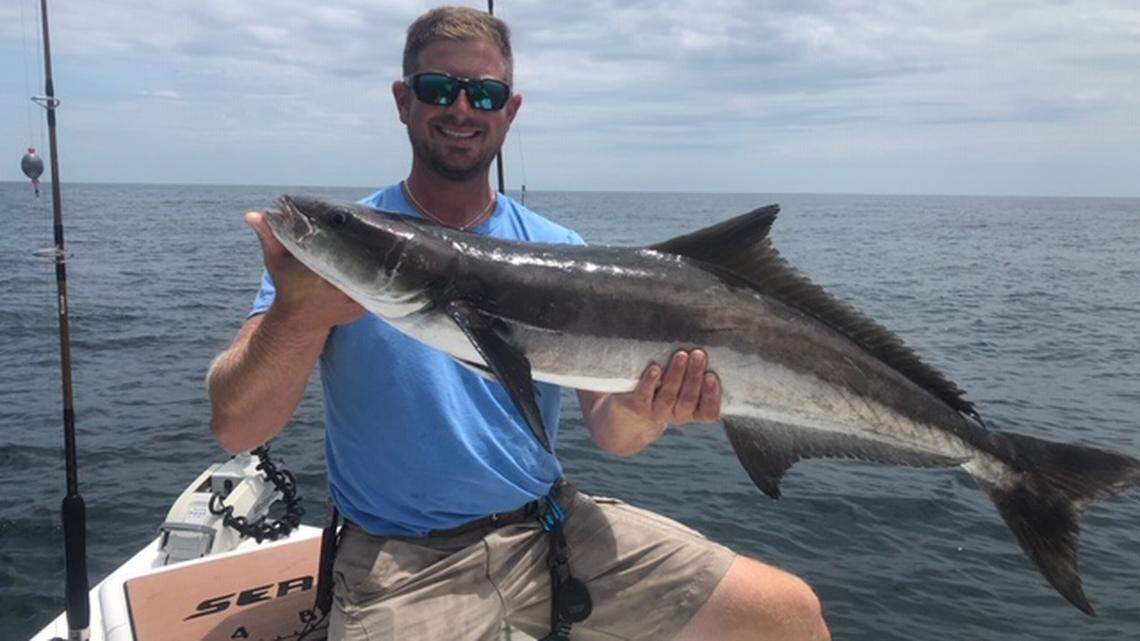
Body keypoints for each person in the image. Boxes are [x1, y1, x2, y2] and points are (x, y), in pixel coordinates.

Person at [208, 6, 829, 641]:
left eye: (484, 94)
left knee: (788, 614)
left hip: (551, 528)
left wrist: (650, 408)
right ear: (403, 100)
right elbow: (237, 428)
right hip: (403, 565)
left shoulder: (561, 249)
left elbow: (612, 433)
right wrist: (297, 315)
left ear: (509, 111)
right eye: (438, 88)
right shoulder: (323, 266)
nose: (461, 108)